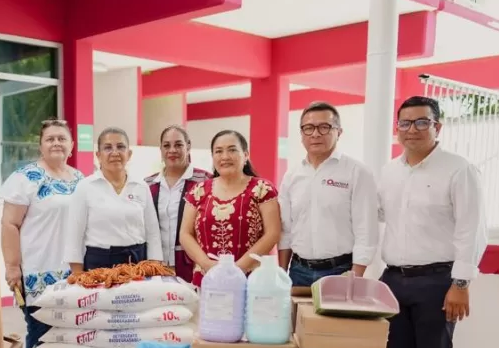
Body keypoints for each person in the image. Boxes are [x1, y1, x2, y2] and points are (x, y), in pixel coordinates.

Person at [378, 96, 487, 348]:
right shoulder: (389, 172)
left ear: (437, 126)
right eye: (404, 123)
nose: (411, 130)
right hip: (394, 279)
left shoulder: (459, 171)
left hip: (438, 281)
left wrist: (460, 283)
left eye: (421, 122)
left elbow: (472, 231)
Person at [0, 119, 85, 348]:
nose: (56, 143)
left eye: (61, 138)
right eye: (50, 139)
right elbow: (9, 224)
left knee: (71, 338)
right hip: (37, 274)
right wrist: (12, 268)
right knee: (42, 338)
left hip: (74, 275)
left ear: (72, 145)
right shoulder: (25, 178)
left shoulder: (80, 179)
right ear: (41, 146)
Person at [277, 102, 378, 286]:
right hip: (298, 272)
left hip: (341, 272)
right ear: (301, 135)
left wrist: (355, 276)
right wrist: (282, 274)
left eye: (324, 127)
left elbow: (366, 230)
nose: (315, 134)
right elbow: (286, 230)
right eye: (308, 128)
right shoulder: (292, 176)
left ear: (339, 132)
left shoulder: (357, 172)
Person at [179, 130, 281, 286]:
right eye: (218, 151)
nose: (225, 156)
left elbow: (272, 233)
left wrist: (238, 269)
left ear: (246, 155)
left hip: (252, 280)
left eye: (232, 150)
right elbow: (185, 234)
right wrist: (207, 265)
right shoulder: (198, 191)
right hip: (208, 279)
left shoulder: (262, 189)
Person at [64, 127, 162, 273]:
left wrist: (154, 269)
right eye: (108, 147)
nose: (115, 152)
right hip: (99, 264)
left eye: (121, 147)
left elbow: (153, 232)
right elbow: (74, 236)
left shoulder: (141, 186)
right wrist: (78, 275)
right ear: (98, 155)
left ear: (129, 154)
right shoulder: (85, 187)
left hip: (137, 263)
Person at [146, 125, 210, 283]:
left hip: (194, 266)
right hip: (156, 269)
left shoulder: (205, 181)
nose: (172, 150)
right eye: (166, 145)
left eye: (178, 145)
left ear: (188, 146)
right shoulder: (148, 185)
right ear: (160, 149)